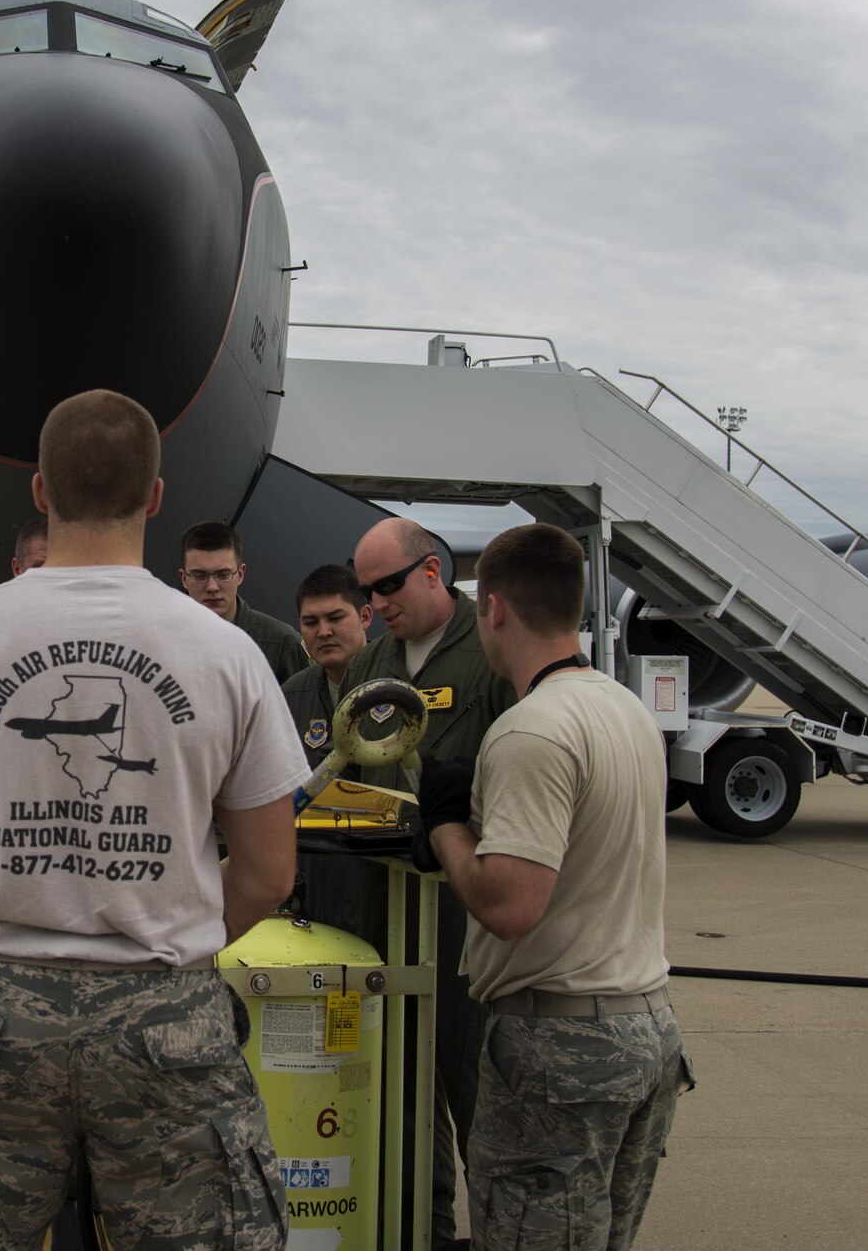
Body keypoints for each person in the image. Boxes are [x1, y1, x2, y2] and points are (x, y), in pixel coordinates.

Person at [0, 389, 306, 1249]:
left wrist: (5, 906)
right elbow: (267, 871)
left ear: (39, 492)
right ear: (154, 496)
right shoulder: (228, 656)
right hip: (168, 1015)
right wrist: (168, 929)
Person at [410, 523, 689, 1250]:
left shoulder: (530, 729)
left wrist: (445, 825)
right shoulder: (626, 709)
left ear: (494, 608)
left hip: (562, 1046)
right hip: (645, 1027)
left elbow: (510, 904)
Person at [342, 516, 517, 1249]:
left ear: (431, 571)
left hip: (463, 903)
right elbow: (348, 773)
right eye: (367, 589)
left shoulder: (490, 651)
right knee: (400, 1085)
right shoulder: (373, 659)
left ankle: (504, 1228)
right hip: (388, 899)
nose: (378, 601)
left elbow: (519, 773)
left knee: (470, 1077)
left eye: (388, 584)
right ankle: (430, 1228)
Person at [178, 519, 309, 682]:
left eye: (223, 575)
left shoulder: (282, 644)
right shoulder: (162, 640)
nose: (212, 587)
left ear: (240, 574)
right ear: (184, 578)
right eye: (199, 576)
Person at [282, 563, 374, 769]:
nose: (323, 632)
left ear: (365, 617)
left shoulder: (397, 683)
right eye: (311, 622)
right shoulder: (292, 695)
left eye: (335, 618)